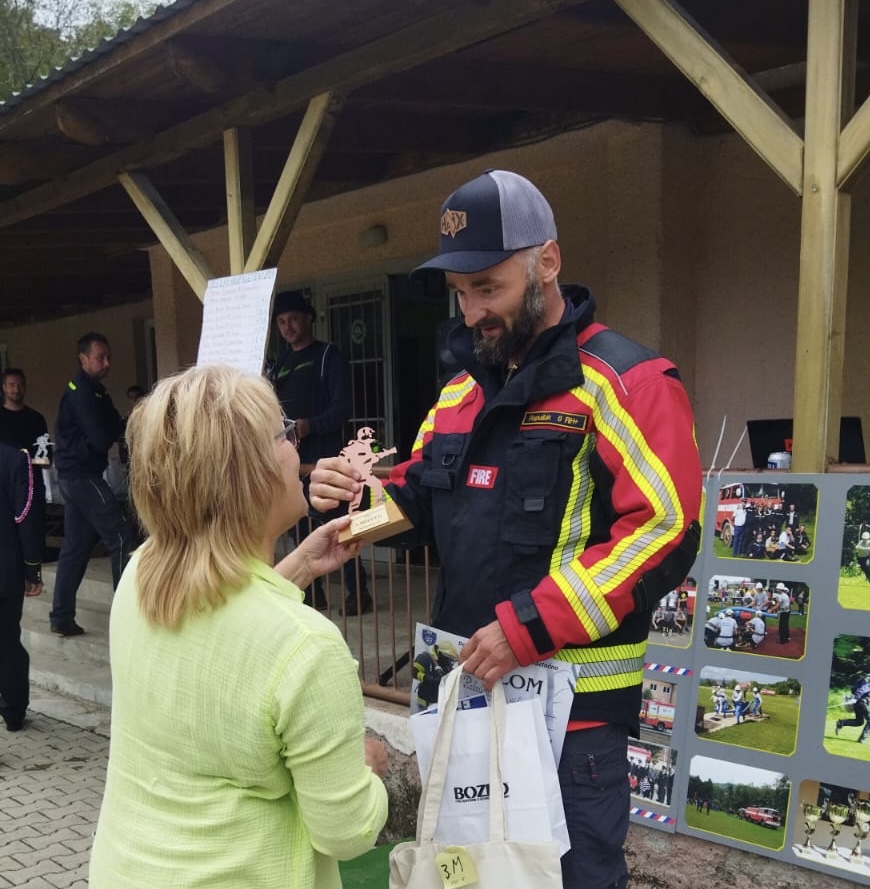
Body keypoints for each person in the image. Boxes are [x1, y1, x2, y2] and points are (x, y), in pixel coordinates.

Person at [310, 169, 702, 889]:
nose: (470, 313)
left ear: (546, 262)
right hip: (464, 708)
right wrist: (353, 499)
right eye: (459, 294)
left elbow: (666, 530)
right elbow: (418, 495)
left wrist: (528, 625)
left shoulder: (628, 379)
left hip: (571, 724)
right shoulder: (460, 392)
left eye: (487, 287)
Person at [88, 365, 388, 889]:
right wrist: (369, 769)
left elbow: (221, 621)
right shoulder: (307, 648)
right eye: (284, 433)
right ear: (250, 474)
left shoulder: (141, 572)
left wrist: (297, 566)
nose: (297, 447)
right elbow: (346, 831)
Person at [269, 290, 371, 616]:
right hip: (293, 464)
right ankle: (313, 594)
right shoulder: (280, 364)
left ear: (309, 318)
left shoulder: (329, 356)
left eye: (294, 319)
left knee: (338, 528)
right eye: (282, 322)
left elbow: (343, 408)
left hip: (327, 461)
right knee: (300, 528)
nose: (288, 327)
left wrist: (309, 426)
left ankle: (359, 593)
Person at [50, 333, 138, 636]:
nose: (107, 363)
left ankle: (61, 617)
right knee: (123, 536)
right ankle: (127, 619)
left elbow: (115, 424)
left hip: (78, 477)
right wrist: (115, 428)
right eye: (100, 357)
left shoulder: (95, 391)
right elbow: (104, 436)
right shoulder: (80, 392)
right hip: (80, 476)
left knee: (75, 548)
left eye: (108, 357)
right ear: (83, 358)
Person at [0, 443, 44, 731]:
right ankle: (14, 710)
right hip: (6, 571)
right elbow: (25, 517)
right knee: (6, 640)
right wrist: (32, 568)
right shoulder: (15, 459)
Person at [0, 367, 50, 534]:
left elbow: (47, 458)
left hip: (31, 488)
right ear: (4, 387)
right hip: (4, 489)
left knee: (32, 536)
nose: (16, 389)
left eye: (20, 385)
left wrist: (28, 460)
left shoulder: (36, 419)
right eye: (12, 385)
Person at [836, 674, 870, 745]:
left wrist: (854, 697)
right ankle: (862, 739)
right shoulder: (868, 678)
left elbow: (853, 687)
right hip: (862, 701)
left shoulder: (865, 677)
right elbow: (863, 688)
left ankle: (842, 723)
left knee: (859, 722)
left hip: (858, 701)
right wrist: (856, 697)